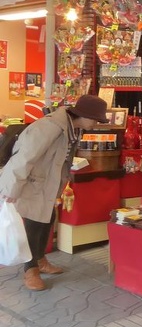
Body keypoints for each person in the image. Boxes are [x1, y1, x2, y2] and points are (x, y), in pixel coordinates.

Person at [0, 95, 108, 291]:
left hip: (46, 184)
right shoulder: (50, 127)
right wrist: (10, 188)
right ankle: (30, 270)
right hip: (32, 183)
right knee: (34, 224)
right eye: (96, 119)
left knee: (47, 219)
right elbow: (25, 156)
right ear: (83, 115)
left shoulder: (72, 129)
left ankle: (40, 259)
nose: (96, 124)